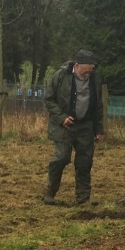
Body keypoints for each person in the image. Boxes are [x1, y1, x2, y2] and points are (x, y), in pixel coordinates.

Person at [43, 50, 104, 205]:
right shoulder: (61, 76)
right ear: (76, 66)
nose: (88, 74)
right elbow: (49, 99)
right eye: (85, 71)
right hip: (64, 126)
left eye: (90, 71)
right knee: (61, 158)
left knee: (85, 162)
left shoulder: (95, 78)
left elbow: (98, 105)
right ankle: (50, 193)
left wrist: (98, 130)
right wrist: (62, 117)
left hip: (86, 126)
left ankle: (83, 199)